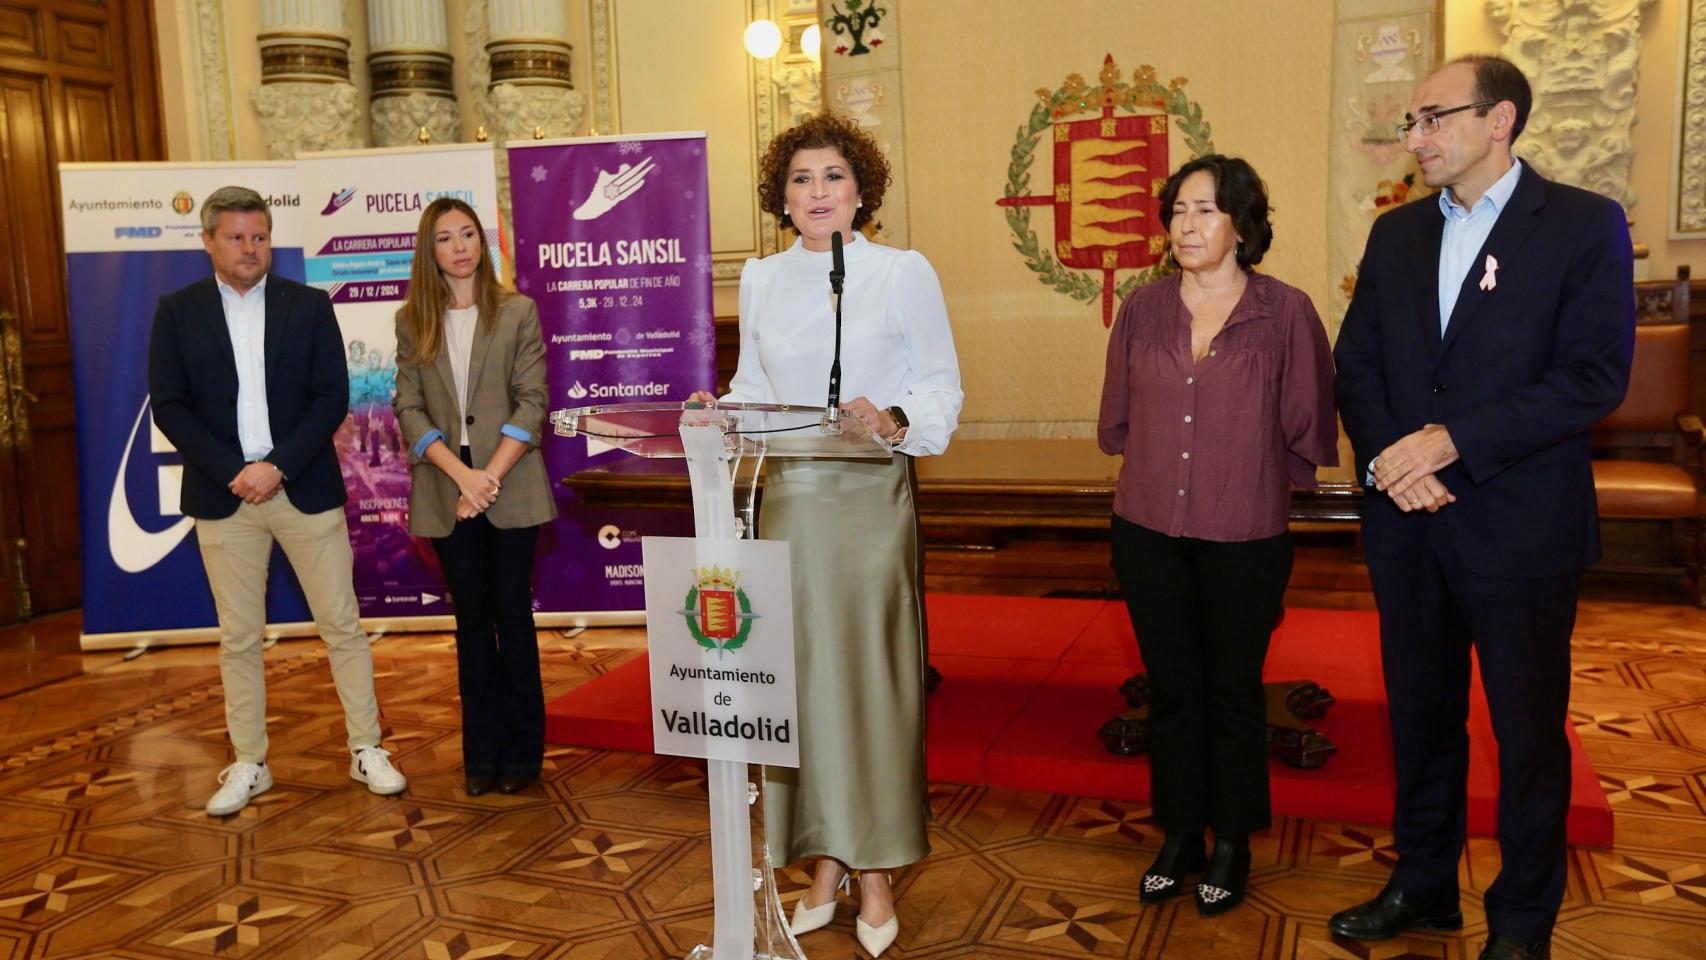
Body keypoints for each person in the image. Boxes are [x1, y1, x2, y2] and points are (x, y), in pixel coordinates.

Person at [1331, 55, 1634, 960]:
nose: (1414, 138)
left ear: (1498, 119)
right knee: (1421, 721)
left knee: (1526, 735)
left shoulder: (1583, 225)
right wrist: (1394, 457)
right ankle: (1424, 887)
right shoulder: (1397, 234)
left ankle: (1524, 921)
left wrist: (1452, 440)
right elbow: (1360, 366)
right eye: (1411, 123)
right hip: (1408, 521)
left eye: (1432, 118)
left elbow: (1593, 376)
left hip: (1519, 525)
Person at [689, 112, 962, 958]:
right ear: (782, 195)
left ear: (861, 189)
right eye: (802, 179)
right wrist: (716, 412)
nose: (818, 193)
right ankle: (822, 863)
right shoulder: (764, 279)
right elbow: (753, 387)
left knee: (870, 688)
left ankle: (876, 871)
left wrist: (897, 416)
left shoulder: (902, 271)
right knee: (799, 691)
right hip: (792, 501)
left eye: (833, 177)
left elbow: (943, 389)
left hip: (870, 499)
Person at [1097, 155, 1338, 917]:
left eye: (1203, 210)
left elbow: (1308, 419)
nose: (1185, 226)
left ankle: (1231, 841)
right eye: (1176, 211)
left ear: (1241, 223)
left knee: (1232, 692)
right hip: (1146, 527)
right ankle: (1179, 836)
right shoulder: (1142, 309)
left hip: (1244, 528)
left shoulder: (1286, 310)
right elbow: (1119, 418)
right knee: (1171, 690)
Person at [148, 185, 407, 816]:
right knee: (239, 637)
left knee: (341, 626)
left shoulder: (309, 305)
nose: (249, 248)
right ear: (207, 240)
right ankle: (249, 762)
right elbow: (170, 405)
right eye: (235, 237)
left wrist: (276, 467)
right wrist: (236, 471)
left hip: (302, 487)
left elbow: (330, 397)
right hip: (223, 494)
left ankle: (366, 747)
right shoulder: (177, 310)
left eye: (259, 237)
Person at [393, 197, 556, 798]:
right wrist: (462, 478)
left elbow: (532, 400)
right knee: (470, 623)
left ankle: (522, 757)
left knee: (512, 618)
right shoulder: (413, 321)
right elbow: (407, 406)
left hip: (509, 481)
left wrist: (486, 475)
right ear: (428, 250)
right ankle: (480, 758)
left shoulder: (517, 312)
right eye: (445, 237)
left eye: (468, 234)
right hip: (447, 486)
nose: (460, 246)